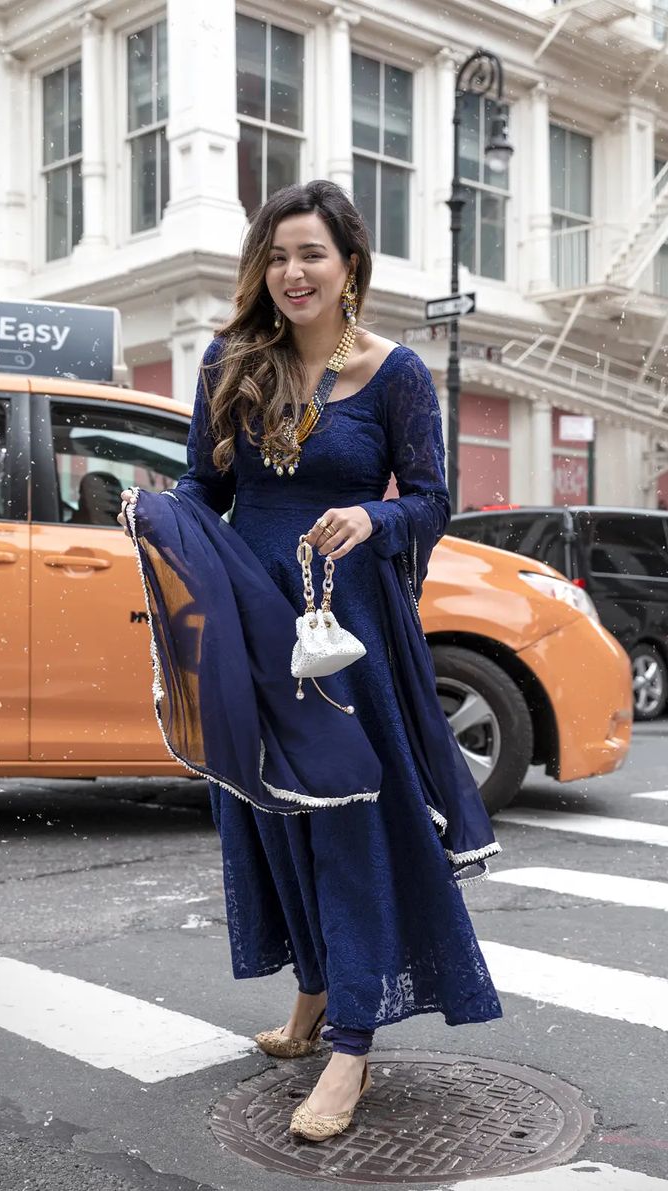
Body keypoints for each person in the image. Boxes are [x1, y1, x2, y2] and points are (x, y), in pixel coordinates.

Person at [118, 179, 502, 1142]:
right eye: (278, 255)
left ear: (350, 267)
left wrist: (373, 516)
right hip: (255, 614)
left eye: (311, 254)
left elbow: (430, 500)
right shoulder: (230, 361)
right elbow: (206, 492)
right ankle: (316, 988)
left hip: (344, 630)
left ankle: (354, 1044)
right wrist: (155, 517)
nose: (293, 272)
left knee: (349, 823)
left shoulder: (397, 374)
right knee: (270, 813)